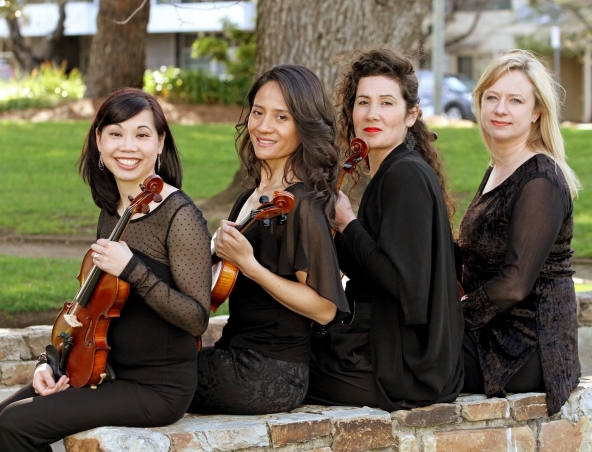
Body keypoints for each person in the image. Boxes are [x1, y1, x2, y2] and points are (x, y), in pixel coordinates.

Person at [0, 87, 211, 450]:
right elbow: (89, 307)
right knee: (3, 416)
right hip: (100, 369)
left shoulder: (180, 215)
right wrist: (50, 363)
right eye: (115, 133)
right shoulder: (113, 210)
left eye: (142, 135)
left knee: (14, 426)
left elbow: (196, 318)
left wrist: (133, 268)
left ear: (160, 143)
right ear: (99, 140)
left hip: (154, 388)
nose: (127, 146)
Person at [305, 48, 464, 410]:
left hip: (405, 364)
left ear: (411, 115)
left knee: (291, 373)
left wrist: (348, 223)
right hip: (385, 344)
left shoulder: (404, 174)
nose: (372, 114)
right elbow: (371, 264)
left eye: (387, 103)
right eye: (363, 102)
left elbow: (403, 284)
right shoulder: (387, 171)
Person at [187, 64, 349, 415]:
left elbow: (325, 309)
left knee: (153, 376)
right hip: (236, 354)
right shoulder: (252, 198)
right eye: (258, 112)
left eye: (281, 117)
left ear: (303, 126)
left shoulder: (300, 204)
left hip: (271, 373)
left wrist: (251, 266)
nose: (263, 126)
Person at [456, 49, 581, 415]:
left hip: (526, 347)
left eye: (515, 100)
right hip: (491, 327)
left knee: (412, 360)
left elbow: (514, 284)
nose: (500, 109)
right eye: (491, 98)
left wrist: (452, 316)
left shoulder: (541, 179)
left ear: (536, 112)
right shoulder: (499, 167)